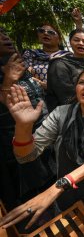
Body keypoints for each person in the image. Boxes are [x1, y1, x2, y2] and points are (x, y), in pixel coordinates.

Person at [0, 69, 84, 230]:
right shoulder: (61, 113)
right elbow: (26, 156)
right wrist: (23, 127)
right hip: (67, 193)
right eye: (82, 82)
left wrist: (57, 187)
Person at [0, 28, 47, 211]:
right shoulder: (9, 71)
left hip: (41, 138)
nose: (6, 37)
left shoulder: (19, 65)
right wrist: (8, 81)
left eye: (5, 33)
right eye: (0, 35)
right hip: (12, 146)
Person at [23, 24, 70, 90]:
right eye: (41, 31)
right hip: (36, 95)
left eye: (51, 32)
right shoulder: (31, 53)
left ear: (59, 39)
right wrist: (39, 83)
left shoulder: (68, 56)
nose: (45, 33)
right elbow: (26, 75)